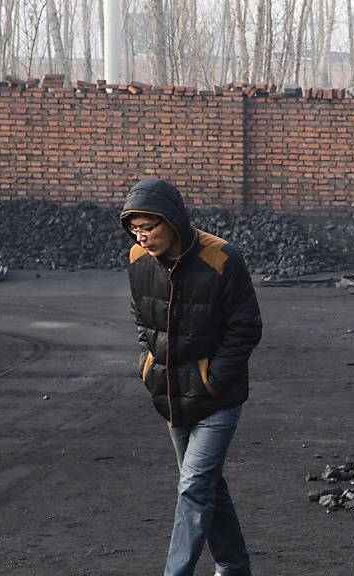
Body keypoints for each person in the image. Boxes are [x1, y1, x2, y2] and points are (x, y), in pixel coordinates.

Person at [121, 179, 262, 576]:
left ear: (174, 221)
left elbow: (246, 327)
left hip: (217, 397)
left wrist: (212, 378)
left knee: (194, 487)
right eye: (136, 228)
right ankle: (234, 566)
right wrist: (151, 363)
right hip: (170, 393)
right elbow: (139, 316)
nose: (142, 236)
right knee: (206, 485)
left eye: (149, 226)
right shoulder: (137, 258)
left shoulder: (222, 259)